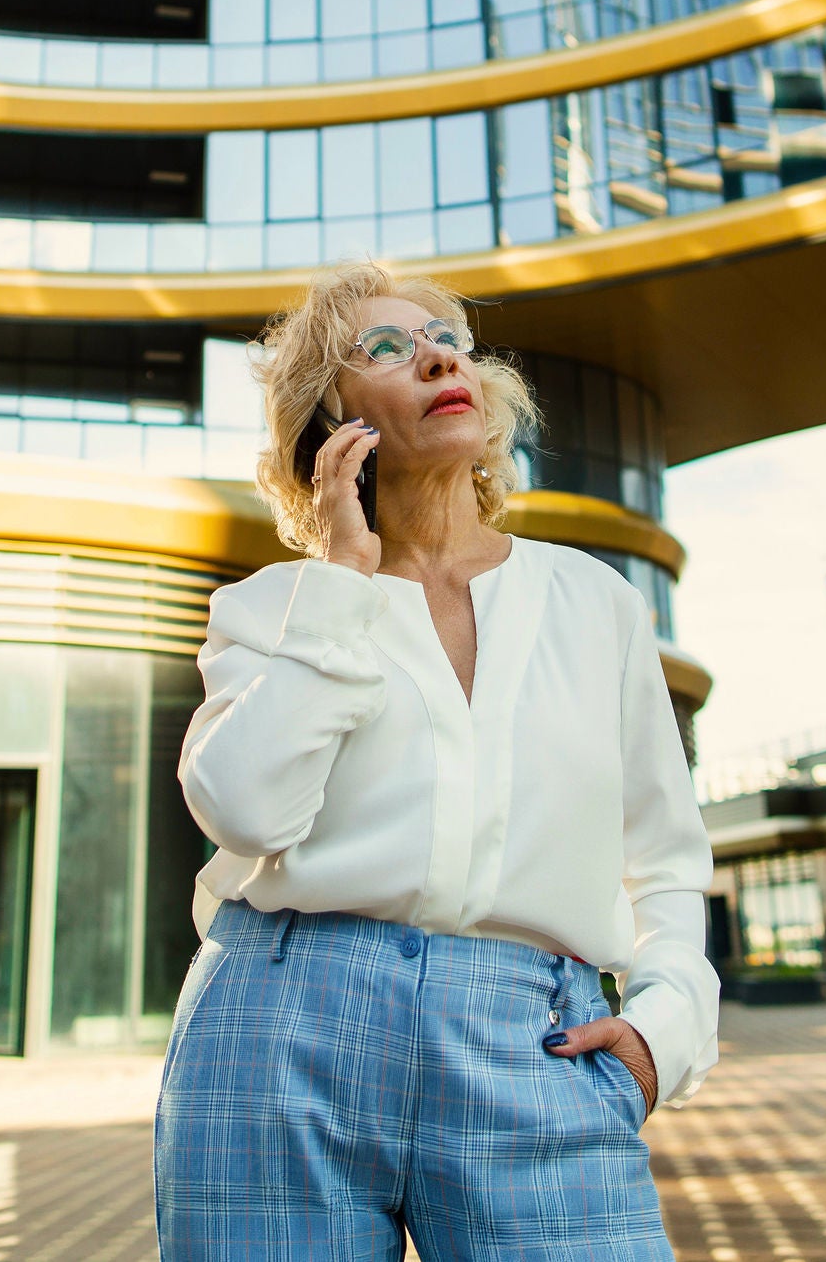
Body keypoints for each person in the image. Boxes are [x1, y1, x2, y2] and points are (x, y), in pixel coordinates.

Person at [154, 259, 718, 1261]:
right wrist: (339, 586)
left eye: (445, 341)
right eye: (384, 348)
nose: (431, 359)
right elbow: (241, 809)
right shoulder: (269, 609)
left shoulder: (596, 606)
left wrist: (659, 1036)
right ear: (331, 420)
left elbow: (665, 860)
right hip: (280, 1029)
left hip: (531, 1039)